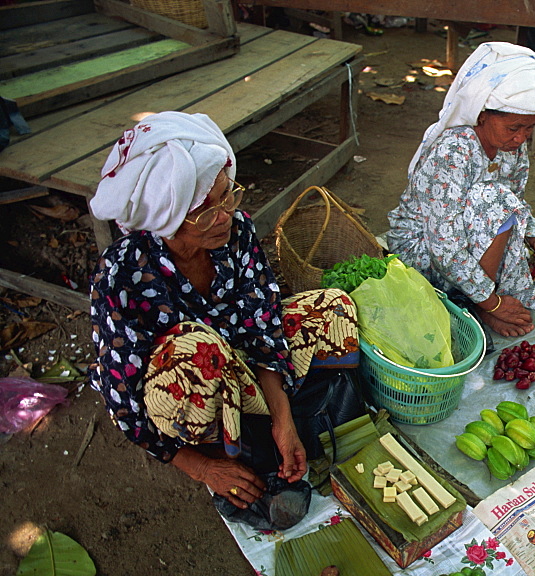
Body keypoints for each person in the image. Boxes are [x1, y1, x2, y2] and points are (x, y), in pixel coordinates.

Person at [88, 112, 360, 511]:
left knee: (333, 309)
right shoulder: (123, 274)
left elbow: (262, 322)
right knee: (199, 350)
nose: (224, 216)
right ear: (166, 219)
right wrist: (202, 469)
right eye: (203, 211)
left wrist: (281, 422)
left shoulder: (238, 232)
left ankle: (266, 424)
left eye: (228, 195)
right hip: (195, 381)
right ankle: (222, 449)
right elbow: (122, 399)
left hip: (243, 366)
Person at [387, 42, 535, 338]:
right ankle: (476, 305)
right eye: (514, 127)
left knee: (499, 203)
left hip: (467, 237)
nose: (521, 137)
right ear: (482, 113)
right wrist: (492, 302)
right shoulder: (452, 154)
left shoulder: (512, 148)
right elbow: (443, 245)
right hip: (423, 251)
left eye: (529, 128)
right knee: (492, 198)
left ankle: (479, 294)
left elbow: (515, 204)